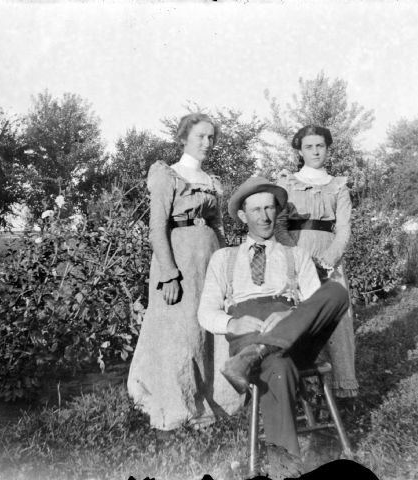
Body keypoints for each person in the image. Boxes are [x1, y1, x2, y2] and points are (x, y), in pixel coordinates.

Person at [198, 176, 350, 476]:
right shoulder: (224, 258)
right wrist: (234, 322)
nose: (265, 216)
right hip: (248, 330)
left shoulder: (296, 254)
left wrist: (291, 314)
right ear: (243, 216)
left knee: (336, 292)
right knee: (277, 367)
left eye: (270, 208)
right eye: (256, 210)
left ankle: (260, 351)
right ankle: (287, 469)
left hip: (295, 332)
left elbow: (313, 304)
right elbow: (205, 313)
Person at [127, 113, 240, 432]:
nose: (207, 143)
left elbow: (218, 227)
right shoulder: (168, 175)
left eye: (212, 137)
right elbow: (156, 229)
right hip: (178, 262)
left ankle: (211, 397)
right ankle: (179, 406)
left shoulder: (212, 181)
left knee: (207, 328)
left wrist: (225, 266)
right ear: (184, 138)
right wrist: (169, 273)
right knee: (181, 333)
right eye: (200, 136)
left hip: (209, 263)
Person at [275, 124, 358, 398]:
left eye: (320, 146)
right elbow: (279, 225)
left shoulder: (338, 186)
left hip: (328, 255)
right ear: (300, 150)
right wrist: (296, 258)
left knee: (337, 319)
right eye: (309, 146)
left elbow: (344, 228)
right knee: (300, 316)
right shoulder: (287, 183)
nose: (315, 151)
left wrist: (330, 257)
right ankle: (304, 391)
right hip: (295, 255)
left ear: (327, 148)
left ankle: (342, 387)